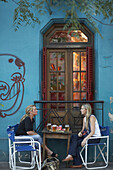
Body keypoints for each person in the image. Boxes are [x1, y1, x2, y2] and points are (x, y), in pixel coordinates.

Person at [62, 103, 101, 168]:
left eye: (82, 108)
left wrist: (85, 140)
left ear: (86, 109)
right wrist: (80, 132)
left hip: (94, 138)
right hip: (88, 136)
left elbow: (92, 132)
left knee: (76, 143)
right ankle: (71, 155)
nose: (80, 110)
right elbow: (83, 129)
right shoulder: (84, 118)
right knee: (74, 137)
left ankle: (77, 162)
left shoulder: (92, 117)